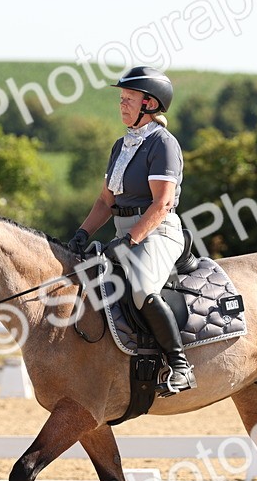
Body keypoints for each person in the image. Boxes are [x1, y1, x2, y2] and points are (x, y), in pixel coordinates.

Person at [66, 66, 195, 394]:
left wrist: (130, 239)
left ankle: (180, 365)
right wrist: (83, 233)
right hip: (124, 233)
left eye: (128, 99)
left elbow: (162, 203)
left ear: (149, 104)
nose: (121, 105)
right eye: (121, 99)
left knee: (140, 288)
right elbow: (105, 201)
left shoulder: (163, 145)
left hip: (157, 232)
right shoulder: (121, 146)